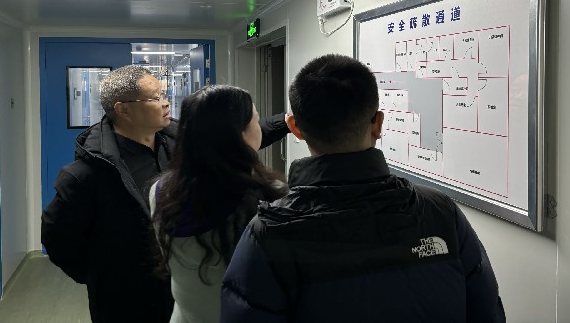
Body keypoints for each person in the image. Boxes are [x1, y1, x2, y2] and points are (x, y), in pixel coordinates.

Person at [220, 54, 506, 323]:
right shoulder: (441, 212)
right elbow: (487, 312)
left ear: (295, 128)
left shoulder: (268, 234)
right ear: (378, 123)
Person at [41, 66, 289, 323]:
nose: (166, 102)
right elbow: (57, 238)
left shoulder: (179, 140)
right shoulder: (88, 173)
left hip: (182, 293)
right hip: (126, 303)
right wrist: (104, 275)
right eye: (155, 97)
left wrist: (286, 121)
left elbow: (235, 138)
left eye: (164, 94)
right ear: (123, 110)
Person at [149, 85, 288, 323]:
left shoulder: (162, 190)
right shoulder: (271, 196)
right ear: (239, 135)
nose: (259, 126)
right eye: (255, 120)